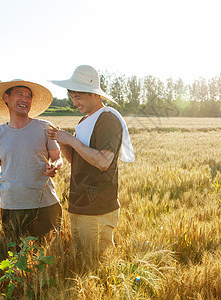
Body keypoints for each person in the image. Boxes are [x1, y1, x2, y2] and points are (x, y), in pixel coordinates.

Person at [47, 65, 135, 255]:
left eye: (77, 96)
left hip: (98, 206)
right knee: (83, 259)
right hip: (79, 202)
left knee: (98, 262)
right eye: (71, 97)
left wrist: (71, 139)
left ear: (94, 94)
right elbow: (76, 160)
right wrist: (61, 141)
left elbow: (104, 162)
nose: (74, 102)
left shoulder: (108, 120)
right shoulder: (84, 121)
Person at [0, 79, 63, 240]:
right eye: (20, 94)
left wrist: (54, 166)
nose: (25, 99)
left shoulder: (45, 127)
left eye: (29, 96)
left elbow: (57, 157)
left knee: (49, 258)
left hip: (46, 205)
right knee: (16, 258)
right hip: (12, 207)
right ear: (6, 98)